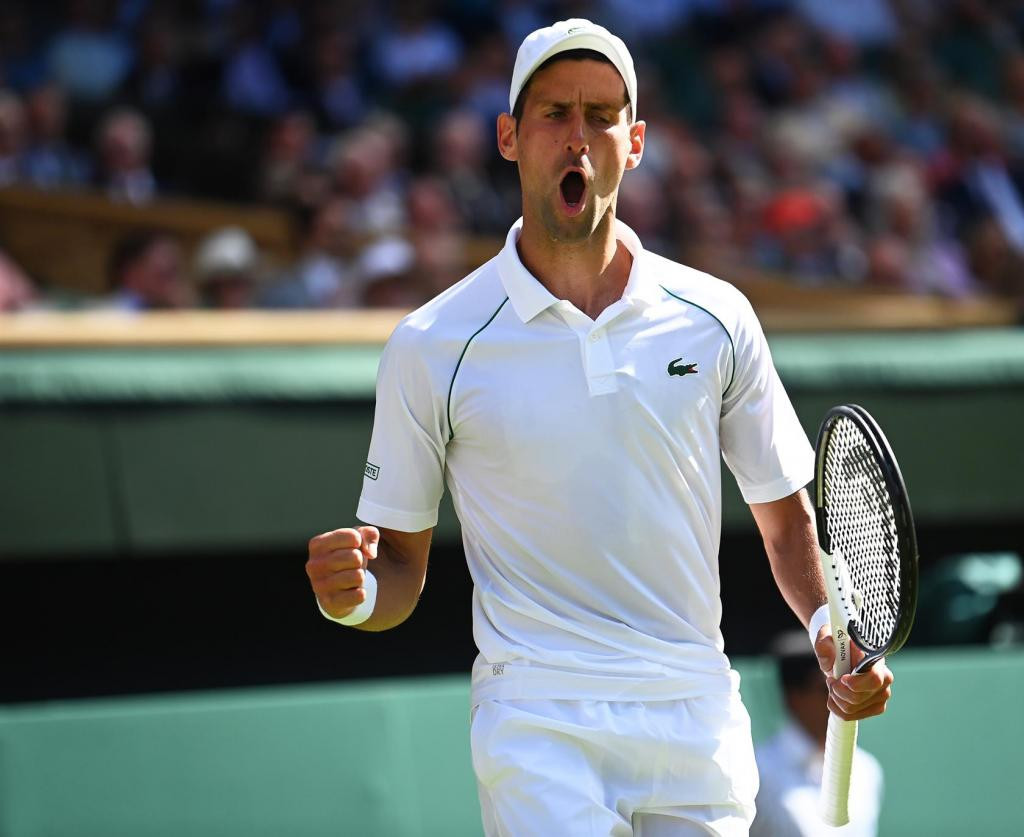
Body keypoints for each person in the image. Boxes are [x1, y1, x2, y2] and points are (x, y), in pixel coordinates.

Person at [305, 19, 893, 836]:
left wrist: (832, 628)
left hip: (695, 712)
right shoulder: (431, 344)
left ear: (636, 141)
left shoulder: (717, 318)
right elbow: (398, 569)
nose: (577, 138)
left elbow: (787, 523)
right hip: (539, 718)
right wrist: (355, 595)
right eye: (553, 114)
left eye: (601, 115)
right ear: (509, 137)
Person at [751, 633, 883, 837]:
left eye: (849, 686)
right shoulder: (754, 773)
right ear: (793, 697)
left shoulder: (868, 769)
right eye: (827, 689)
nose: (845, 697)